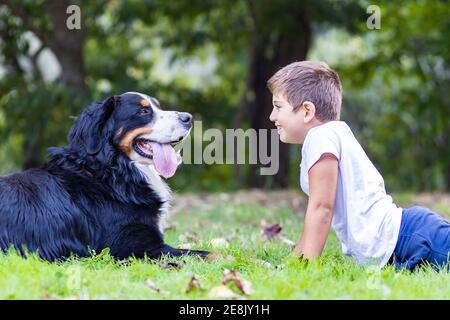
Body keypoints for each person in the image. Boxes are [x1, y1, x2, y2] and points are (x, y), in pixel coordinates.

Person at [267, 60, 450, 270]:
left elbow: (321, 208)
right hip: (406, 240)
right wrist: (295, 259)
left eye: (278, 107)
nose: (272, 116)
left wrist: (304, 267)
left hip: (410, 239)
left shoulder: (320, 137)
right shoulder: (328, 135)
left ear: (307, 111)